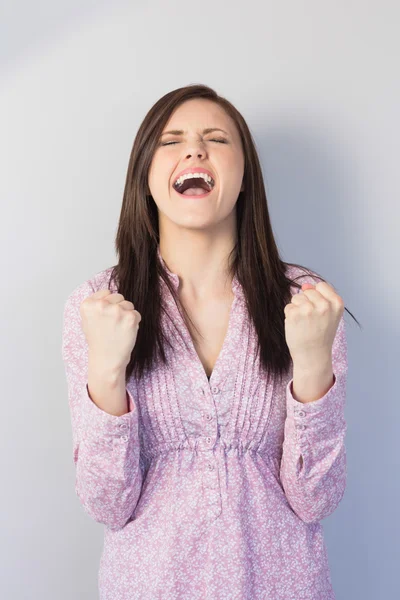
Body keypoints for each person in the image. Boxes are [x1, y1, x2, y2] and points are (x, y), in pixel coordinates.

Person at [62, 84, 359, 599]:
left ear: (245, 177)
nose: (194, 150)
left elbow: (317, 500)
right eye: (171, 141)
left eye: (215, 138)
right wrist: (107, 373)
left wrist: (312, 366)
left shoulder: (308, 303)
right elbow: (108, 505)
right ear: (145, 175)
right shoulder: (97, 304)